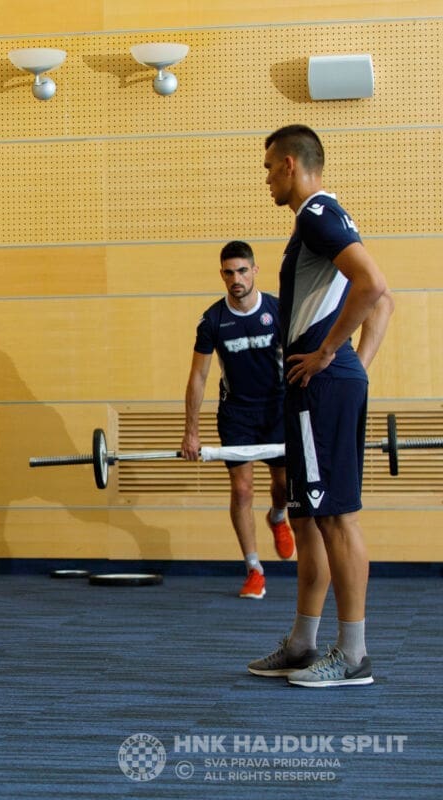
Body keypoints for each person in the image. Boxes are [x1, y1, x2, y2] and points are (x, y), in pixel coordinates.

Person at [247, 125, 393, 687]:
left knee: (334, 517)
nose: (266, 179)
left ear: (289, 164)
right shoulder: (324, 218)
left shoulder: (315, 213)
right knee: (308, 518)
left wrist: (331, 355)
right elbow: (384, 302)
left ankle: (353, 655)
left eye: (268, 168)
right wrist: (352, 367)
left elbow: (373, 285)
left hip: (319, 380)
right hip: (321, 383)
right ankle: (303, 645)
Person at [180, 240, 294, 600]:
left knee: (284, 484)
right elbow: (198, 377)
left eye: (243, 271)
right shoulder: (213, 320)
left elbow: (299, 361)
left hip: (277, 409)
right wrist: (191, 433)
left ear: (255, 270)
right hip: (236, 414)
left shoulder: (278, 310)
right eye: (229, 273)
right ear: (222, 275)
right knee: (242, 490)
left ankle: (278, 517)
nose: (236, 279)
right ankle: (254, 569)